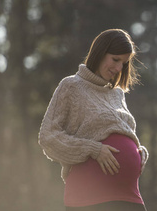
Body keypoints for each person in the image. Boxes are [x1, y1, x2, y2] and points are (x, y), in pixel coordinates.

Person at [39, 29, 149, 211]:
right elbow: (48, 136)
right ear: (99, 53)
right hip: (90, 195)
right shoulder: (71, 86)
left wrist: (139, 152)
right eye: (115, 59)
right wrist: (93, 149)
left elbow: (122, 133)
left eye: (124, 63)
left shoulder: (117, 95)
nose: (119, 68)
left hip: (129, 194)